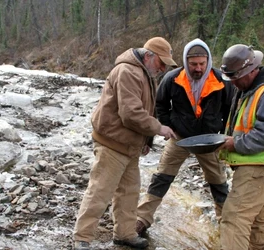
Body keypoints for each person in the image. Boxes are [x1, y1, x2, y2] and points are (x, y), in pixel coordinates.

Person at [73, 37, 178, 250]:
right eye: (161, 63)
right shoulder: (127, 72)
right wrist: (159, 128)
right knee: (100, 191)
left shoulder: (146, 73)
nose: (163, 68)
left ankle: (124, 234)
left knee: (129, 191)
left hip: (129, 145)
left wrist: (146, 141)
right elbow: (131, 113)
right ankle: (82, 238)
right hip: (112, 143)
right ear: (149, 56)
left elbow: (147, 109)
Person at [136, 38, 235, 235]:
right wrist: (168, 126)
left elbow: (230, 109)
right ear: (185, 62)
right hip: (179, 138)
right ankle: (142, 219)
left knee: (218, 183)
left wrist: (224, 134)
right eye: (193, 64)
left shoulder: (221, 80)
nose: (198, 68)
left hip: (209, 140)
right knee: (162, 177)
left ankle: (227, 225)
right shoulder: (172, 78)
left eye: (201, 64)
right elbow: (160, 104)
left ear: (208, 61)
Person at [218, 44, 264, 250]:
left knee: (234, 217)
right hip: (258, 162)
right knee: (257, 218)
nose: (232, 82)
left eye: (235, 78)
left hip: (260, 164)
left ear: (250, 72)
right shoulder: (250, 89)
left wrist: (236, 143)